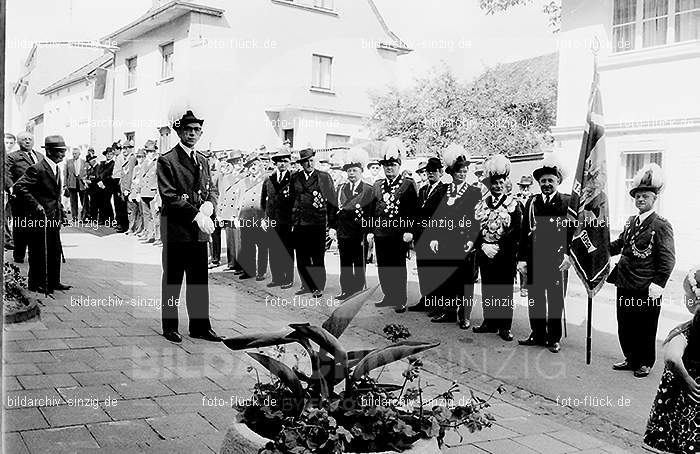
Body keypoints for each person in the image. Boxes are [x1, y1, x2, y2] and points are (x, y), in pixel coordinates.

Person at [157, 109, 220, 343]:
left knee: (199, 280)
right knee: (173, 280)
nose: (192, 134)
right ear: (179, 132)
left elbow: (211, 188)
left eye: (196, 130)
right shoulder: (167, 160)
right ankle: (170, 326)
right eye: (188, 130)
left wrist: (210, 206)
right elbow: (169, 196)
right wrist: (196, 215)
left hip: (198, 233)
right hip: (176, 231)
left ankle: (200, 326)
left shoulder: (202, 159)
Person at [609, 163, 675, 378]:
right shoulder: (630, 222)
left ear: (654, 199)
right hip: (625, 281)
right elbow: (620, 244)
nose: (640, 200)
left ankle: (645, 362)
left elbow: (668, 259)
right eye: (637, 196)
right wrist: (599, 248)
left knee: (645, 326)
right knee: (625, 323)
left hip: (646, 286)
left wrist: (659, 284)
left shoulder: (661, 224)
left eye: (645, 196)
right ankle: (631, 358)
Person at [517, 156, 571, 353]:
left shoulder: (567, 202)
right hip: (535, 259)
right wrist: (521, 259)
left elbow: (574, 232)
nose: (547, 184)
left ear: (558, 182)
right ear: (539, 183)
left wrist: (569, 255)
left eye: (551, 180)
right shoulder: (531, 203)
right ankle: (537, 333)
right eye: (543, 181)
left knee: (555, 300)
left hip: (558, 260)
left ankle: (554, 338)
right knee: (536, 298)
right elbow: (524, 233)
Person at [643, 266, 700, 453]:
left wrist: (686, 379)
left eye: (686, 294)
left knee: (681, 439)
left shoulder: (688, 330)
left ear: (693, 299)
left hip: (685, 406)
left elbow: (673, 358)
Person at [425, 147, 481, 329]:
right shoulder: (443, 191)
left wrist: (472, 242)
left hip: (465, 243)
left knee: (466, 282)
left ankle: (464, 315)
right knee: (448, 278)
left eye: (465, 171)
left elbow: (477, 220)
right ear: (451, 172)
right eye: (459, 171)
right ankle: (448, 312)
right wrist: (433, 237)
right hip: (446, 242)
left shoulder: (474, 192)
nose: (462, 174)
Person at [13, 135, 72, 294]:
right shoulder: (37, 168)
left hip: (53, 217)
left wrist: (61, 211)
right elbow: (19, 187)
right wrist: (36, 205)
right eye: (60, 152)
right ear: (51, 152)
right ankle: (36, 284)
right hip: (39, 218)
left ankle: (54, 281)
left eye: (63, 151)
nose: (63, 155)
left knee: (54, 249)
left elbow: (54, 194)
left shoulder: (57, 168)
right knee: (38, 250)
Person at [473, 154, 522, 341]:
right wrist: (483, 245)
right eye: (494, 183)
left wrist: (498, 247)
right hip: (486, 253)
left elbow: (516, 231)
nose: (497, 186)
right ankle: (489, 322)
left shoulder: (513, 205)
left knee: (504, 291)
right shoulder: (482, 204)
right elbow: (473, 229)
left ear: (505, 183)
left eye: (501, 182)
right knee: (488, 288)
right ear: (489, 184)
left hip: (505, 255)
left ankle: (504, 326)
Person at [368, 139, 417, 313]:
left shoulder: (407, 184)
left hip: (398, 234)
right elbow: (373, 210)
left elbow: (412, 210)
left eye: (393, 165)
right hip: (381, 233)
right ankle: (388, 295)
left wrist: (410, 230)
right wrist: (371, 231)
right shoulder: (378, 185)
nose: (389, 168)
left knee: (397, 267)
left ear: (399, 165)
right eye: (386, 165)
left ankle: (400, 299)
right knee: (383, 267)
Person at [329, 147, 374, 300]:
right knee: (345, 263)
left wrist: (370, 232)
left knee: (359, 263)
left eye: (354, 170)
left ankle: (357, 291)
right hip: (343, 233)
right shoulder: (341, 188)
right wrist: (332, 227)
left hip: (360, 233)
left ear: (361, 172)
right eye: (349, 171)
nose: (352, 174)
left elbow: (371, 212)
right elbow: (333, 208)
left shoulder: (368, 189)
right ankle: (346, 290)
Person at [290, 148, 336, 298]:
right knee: (302, 256)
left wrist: (332, 225)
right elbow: (291, 200)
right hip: (300, 223)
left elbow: (332, 202)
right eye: (306, 162)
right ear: (301, 163)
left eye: (311, 161)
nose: (309, 164)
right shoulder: (295, 178)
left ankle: (317, 286)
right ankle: (306, 284)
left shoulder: (324, 177)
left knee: (316, 256)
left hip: (317, 222)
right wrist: (292, 220)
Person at [408, 157, 447, 313]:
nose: (431, 174)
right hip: (421, 236)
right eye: (428, 171)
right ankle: (426, 299)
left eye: (434, 171)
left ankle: (437, 303)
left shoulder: (444, 190)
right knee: (423, 269)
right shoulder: (423, 190)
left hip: (435, 238)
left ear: (441, 172)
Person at [6, 132, 43, 262]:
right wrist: (11, 188)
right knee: (21, 227)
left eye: (30, 139)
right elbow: (6, 173)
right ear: (18, 142)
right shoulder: (12, 157)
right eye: (24, 139)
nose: (27, 141)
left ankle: (36, 255)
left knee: (36, 227)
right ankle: (19, 255)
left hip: (38, 198)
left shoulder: (39, 156)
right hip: (20, 197)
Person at [261, 150, 295, 288]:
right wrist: (265, 218)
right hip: (272, 220)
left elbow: (297, 201)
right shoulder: (269, 179)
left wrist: (294, 220)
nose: (283, 164)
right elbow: (263, 202)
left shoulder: (294, 179)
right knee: (274, 250)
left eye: (285, 161)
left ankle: (288, 278)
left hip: (287, 221)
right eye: (280, 161)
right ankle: (277, 277)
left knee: (287, 250)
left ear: (289, 163)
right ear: (276, 163)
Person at [237, 155, 268, 280]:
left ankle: (261, 271)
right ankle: (248, 270)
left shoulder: (266, 180)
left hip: (259, 218)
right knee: (247, 246)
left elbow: (268, 201)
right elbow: (239, 200)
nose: (253, 168)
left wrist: (265, 218)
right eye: (250, 166)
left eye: (255, 165)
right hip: (246, 218)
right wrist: (237, 216)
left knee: (262, 246)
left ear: (260, 166)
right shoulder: (244, 181)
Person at [217, 150, 244, 272]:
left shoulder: (245, 176)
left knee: (238, 240)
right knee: (230, 239)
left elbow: (243, 196)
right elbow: (222, 195)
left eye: (239, 161)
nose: (237, 164)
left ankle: (239, 265)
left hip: (237, 212)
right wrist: (220, 212)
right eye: (235, 162)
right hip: (227, 211)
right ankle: (231, 263)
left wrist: (238, 213)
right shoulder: (226, 177)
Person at [111, 140, 130, 232]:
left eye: (116, 149)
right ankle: (119, 223)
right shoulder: (118, 157)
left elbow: (123, 172)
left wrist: (120, 183)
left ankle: (122, 224)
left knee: (121, 204)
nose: (114, 151)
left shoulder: (122, 157)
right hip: (115, 181)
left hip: (119, 181)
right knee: (117, 204)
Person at [63, 147, 87, 222]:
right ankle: (74, 216)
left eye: (75, 153)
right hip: (72, 183)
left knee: (83, 201)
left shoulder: (84, 162)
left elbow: (87, 173)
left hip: (81, 184)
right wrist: (65, 184)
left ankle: (84, 216)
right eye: (73, 154)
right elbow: (65, 174)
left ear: (79, 154)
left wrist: (86, 182)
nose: (74, 155)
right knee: (73, 201)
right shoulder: (68, 162)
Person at [96, 147, 116, 225]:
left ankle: (110, 219)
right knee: (100, 202)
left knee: (107, 202)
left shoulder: (113, 164)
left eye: (111, 154)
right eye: (108, 154)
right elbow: (98, 173)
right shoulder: (102, 163)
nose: (109, 156)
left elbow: (110, 175)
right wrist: (99, 181)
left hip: (108, 185)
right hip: (100, 185)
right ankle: (102, 219)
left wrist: (104, 182)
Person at [83, 154, 99, 221]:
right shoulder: (92, 168)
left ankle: (94, 217)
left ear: (93, 161)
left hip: (95, 188)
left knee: (94, 203)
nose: (89, 163)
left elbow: (96, 177)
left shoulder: (97, 167)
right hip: (91, 189)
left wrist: (89, 181)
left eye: (90, 161)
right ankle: (92, 216)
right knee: (91, 203)